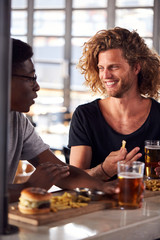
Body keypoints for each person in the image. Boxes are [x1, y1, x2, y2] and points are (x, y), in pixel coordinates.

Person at [9, 38, 125, 203]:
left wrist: (102, 187)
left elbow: (62, 172)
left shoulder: (17, 121)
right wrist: (27, 187)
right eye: (30, 78)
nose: (37, 87)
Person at [68, 27, 160, 181]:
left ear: (136, 67)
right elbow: (74, 180)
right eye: (101, 68)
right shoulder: (85, 115)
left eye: (114, 67)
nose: (105, 75)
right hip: (99, 205)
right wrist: (104, 170)